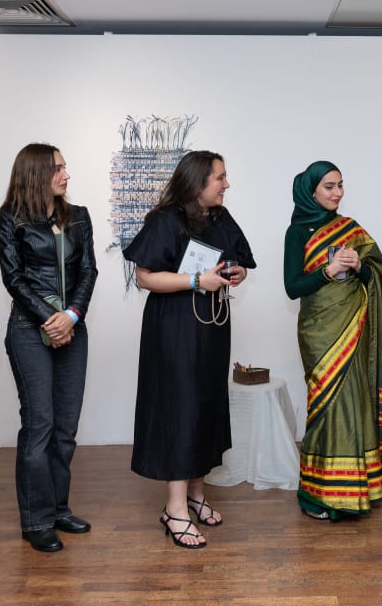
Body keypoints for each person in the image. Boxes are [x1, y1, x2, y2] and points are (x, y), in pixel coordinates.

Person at [123, 150, 256, 549]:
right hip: (175, 330)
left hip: (212, 328)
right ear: (198, 182)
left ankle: (197, 494)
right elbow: (145, 278)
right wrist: (197, 280)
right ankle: (175, 509)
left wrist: (236, 273)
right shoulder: (164, 220)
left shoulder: (221, 218)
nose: (226, 184)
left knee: (205, 406)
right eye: (220, 177)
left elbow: (242, 264)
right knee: (180, 409)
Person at [0, 144, 98, 553]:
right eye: (58, 168)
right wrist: (49, 320)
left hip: (72, 328)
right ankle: (35, 521)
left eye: (65, 166)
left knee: (65, 430)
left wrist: (71, 316)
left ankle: (57, 509)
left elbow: (89, 269)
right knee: (39, 427)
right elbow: (13, 278)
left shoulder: (79, 218)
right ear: (36, 173)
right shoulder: (11, 220)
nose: (66, 174)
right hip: (28, 330)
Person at [283, 161, 382, 521]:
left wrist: (360, 266)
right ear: (310, 190)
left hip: (353, 329)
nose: (338, 193)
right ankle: (319, 495)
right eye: (329, 186)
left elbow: (379, 273)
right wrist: (326, 272)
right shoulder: (297, 232)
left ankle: (357, 490)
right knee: (325, 408)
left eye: (341, 185)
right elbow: (292, 286)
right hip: (319, 333)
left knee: (355, 404)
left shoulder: (351, 229)